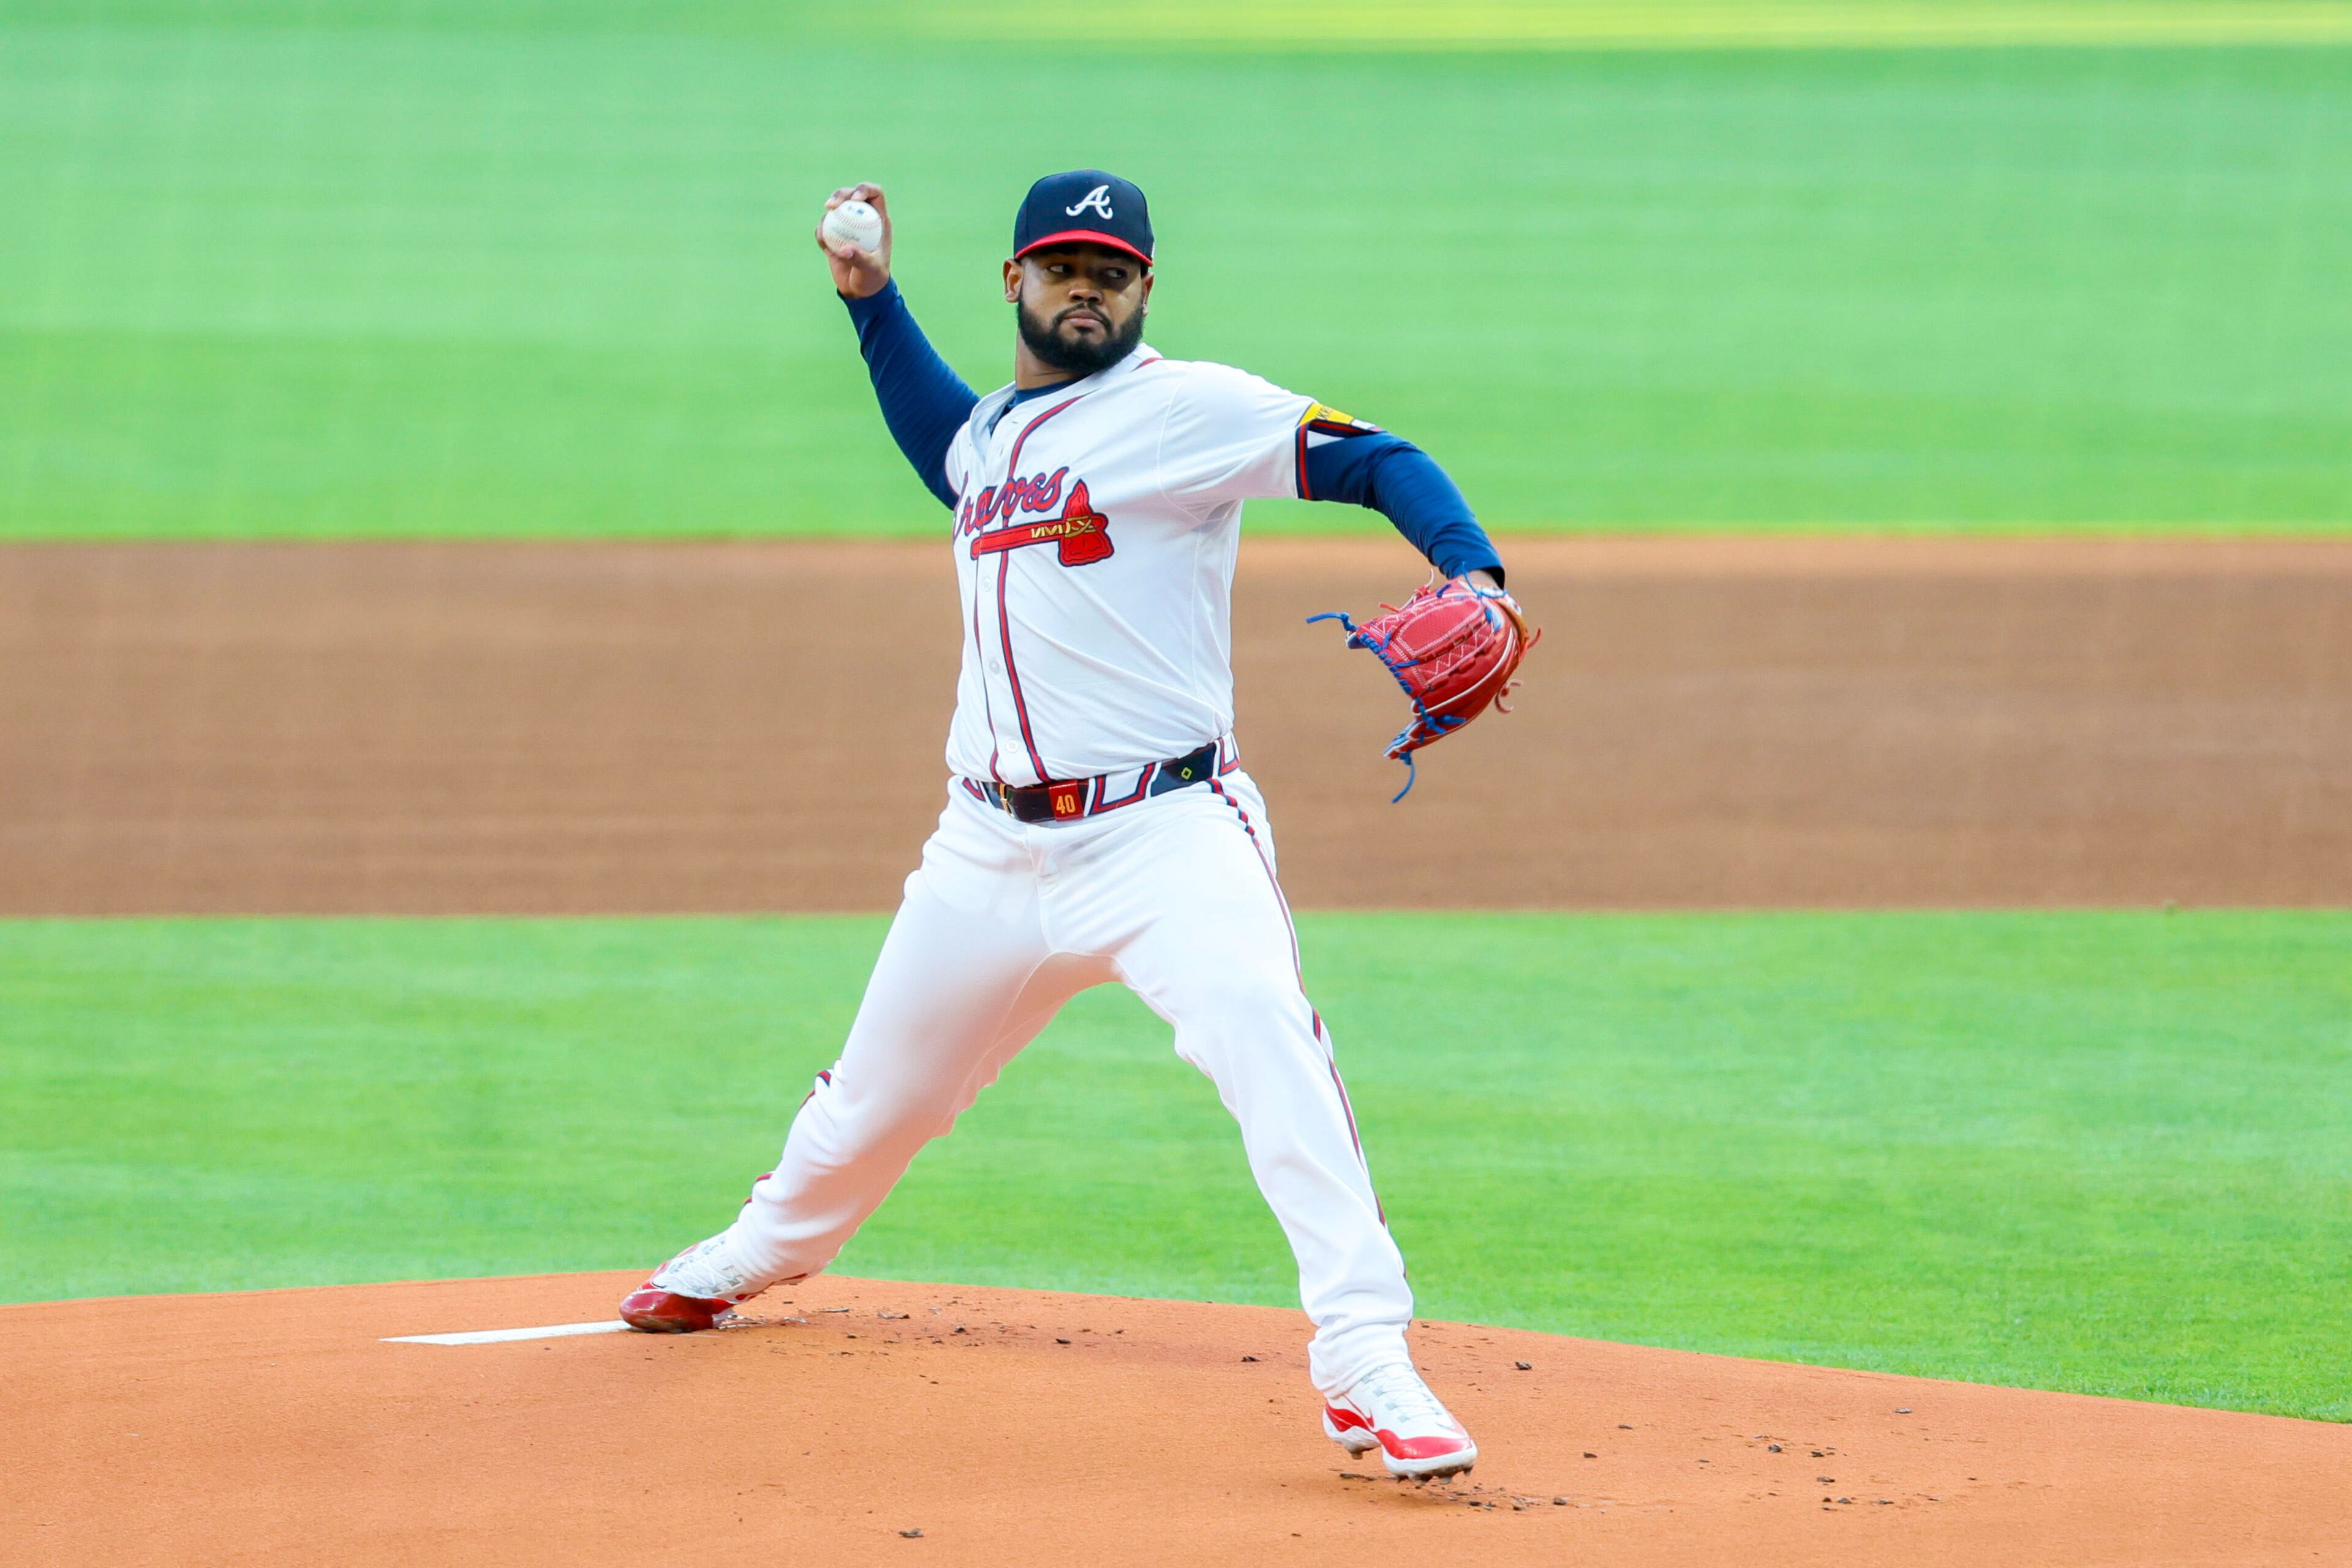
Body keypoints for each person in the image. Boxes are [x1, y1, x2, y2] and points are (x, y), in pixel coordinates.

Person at [619, 170, 1522, 1480]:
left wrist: (1471, 566)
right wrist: (869, 300)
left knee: (1267, 1038)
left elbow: (1377, 455)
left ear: (1145, 288)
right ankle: (767, 1244)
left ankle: (1363, 1355)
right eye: (1062, 267)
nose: (1085, 289)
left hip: (1166, 838)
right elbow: (946, 444)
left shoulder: (1189, 409)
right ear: (1017, 282)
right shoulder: (991, 437)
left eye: (1111, 270)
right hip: (984, 852)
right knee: (878, 1099)